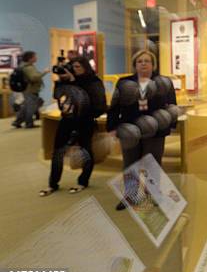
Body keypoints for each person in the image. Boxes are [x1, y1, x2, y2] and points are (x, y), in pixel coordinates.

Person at [107, 50, 176, 210]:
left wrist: (171, 125)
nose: (143, 63)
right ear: (135, 65)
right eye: (139, 61)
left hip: (156, 131)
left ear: (153, 64)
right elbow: (114, 106)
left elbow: (172, 105)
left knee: (152, 164)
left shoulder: (163, 82)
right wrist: (112, 127)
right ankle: (131, 195)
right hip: (130, 130)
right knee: (130, 163)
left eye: (147, 61)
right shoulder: (123, 83)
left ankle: (153, 195)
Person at [39, 57, 107, 196]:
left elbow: (99, 106)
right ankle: (53, 184)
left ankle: (83, 181)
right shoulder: (67, 81)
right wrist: (61, 81)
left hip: (85, 121)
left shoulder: (93, 81)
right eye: (73, 67)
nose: (74, 70)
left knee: (85, 151)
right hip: (67, 120)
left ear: (85, 67)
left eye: (77, 67)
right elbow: (57, 96)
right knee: (57, 151)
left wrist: (74, 82)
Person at [12, 51, 49, 129]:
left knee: (26, 106)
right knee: (31, 107)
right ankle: (29, 124)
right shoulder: (28, 67)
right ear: (30, 58)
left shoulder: (24, 66)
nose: (36, 58)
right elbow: (34, 78)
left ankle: (17, 122)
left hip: (27, 90)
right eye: (35, 57)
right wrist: (44, 72)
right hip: (30, 90)